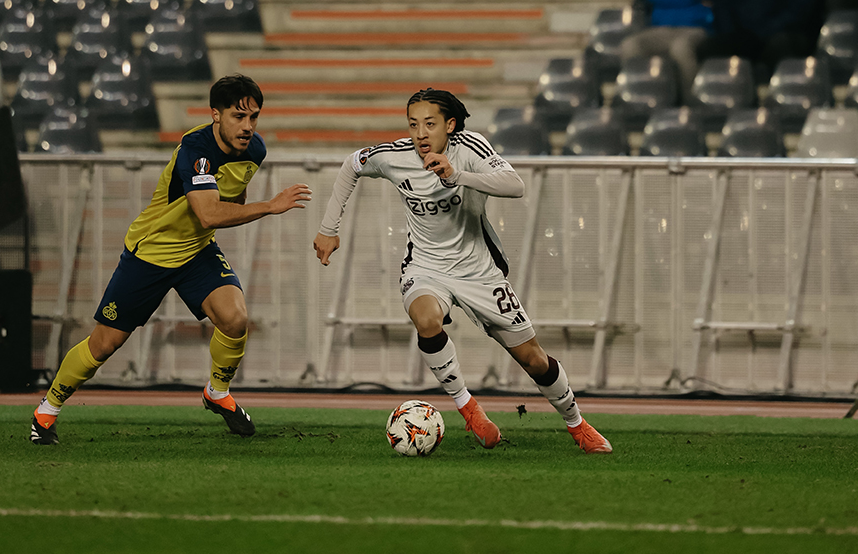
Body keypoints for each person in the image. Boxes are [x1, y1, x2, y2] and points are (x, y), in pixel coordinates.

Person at [312, 88, 612, 454]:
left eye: (429, 124)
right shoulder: (395, 156)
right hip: (426, 267)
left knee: (533, 359)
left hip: (480, 272)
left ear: (450, 125)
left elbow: (515, 186)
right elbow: (352, 165)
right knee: (427, 320)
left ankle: (577, 424)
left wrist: (458, 177)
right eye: (413, 125)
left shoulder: (470, 147)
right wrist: (328, 228)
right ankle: (469, 409)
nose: (420, 133)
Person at [30, 74, 312, 445]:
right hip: (152, 252)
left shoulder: (254, 150)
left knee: (235, 318)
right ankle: (46, 411)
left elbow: (232, 197)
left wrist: (245, 204)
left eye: (253, 117)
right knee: (104, 344)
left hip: (196, 251)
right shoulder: (195, 150)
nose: (247, 126)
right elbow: (209, 214)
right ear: (215, 114)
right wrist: (270, 206)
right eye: (238, 116)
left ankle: (217, 392)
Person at [621, 0, 730, 101]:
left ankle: (691, 101)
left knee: (681, 48)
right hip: (662, 28)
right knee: (630, 45)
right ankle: (640, 100)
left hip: (698, 28)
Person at [696, 0, 816, 83]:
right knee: (711, 47)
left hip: (779, 31)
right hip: (742, 32)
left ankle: (781, 92)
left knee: (781, 45)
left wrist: (767, 30)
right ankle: (724, 93)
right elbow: (723, 0)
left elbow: (799, 6)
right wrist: (730, 30)